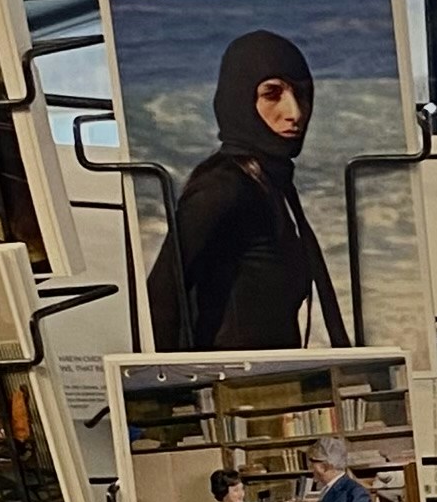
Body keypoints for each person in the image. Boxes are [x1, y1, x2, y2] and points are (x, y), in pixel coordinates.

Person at [145, 30, 353, 352]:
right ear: (239, 99)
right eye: (272, 94)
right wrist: (169, 391)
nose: (295, 113)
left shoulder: (272, 185)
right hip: (236, 392)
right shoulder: (224, 187)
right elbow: (160, 296)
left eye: (303, 94)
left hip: (274, 389)